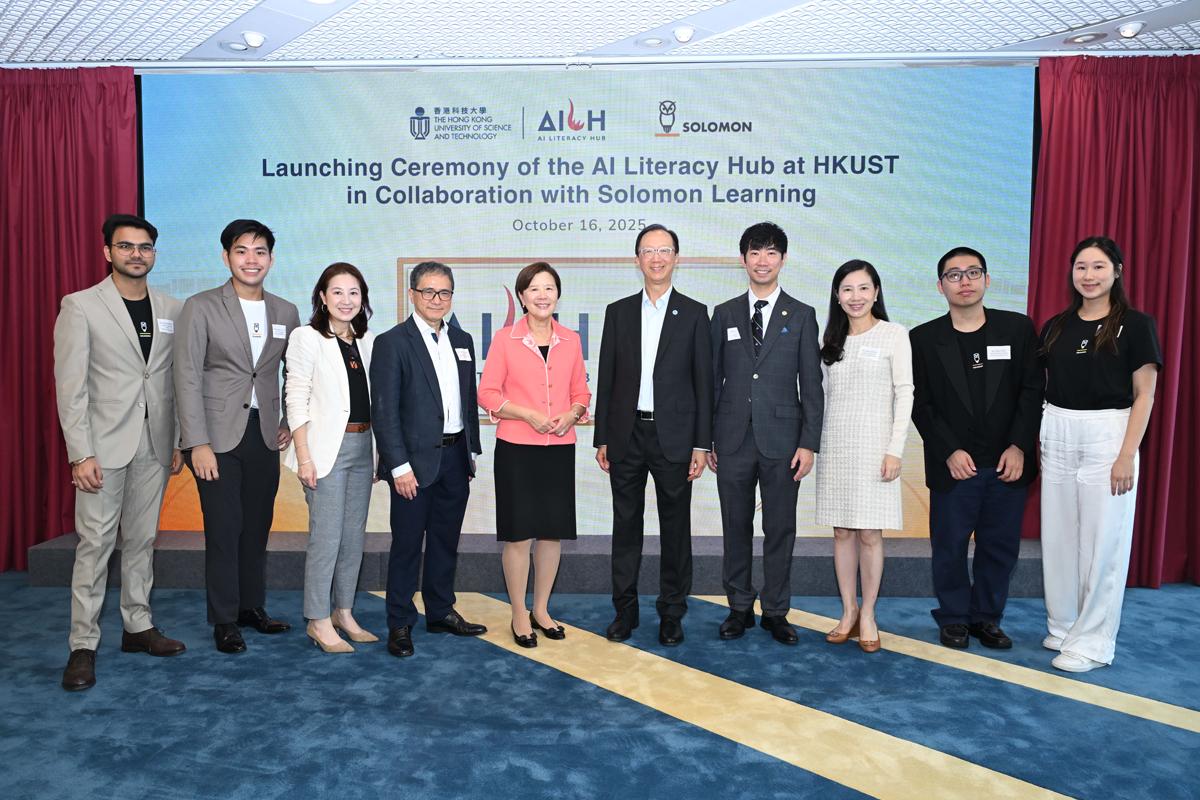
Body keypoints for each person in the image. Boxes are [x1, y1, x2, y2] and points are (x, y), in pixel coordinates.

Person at [53, 213, 187, 690]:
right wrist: (79, 453)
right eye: (126, 246)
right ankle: (82, 645)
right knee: (94, 547)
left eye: (145, 246)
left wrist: (174, 442)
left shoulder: (173, 306)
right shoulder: (81, 306)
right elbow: (70, 388)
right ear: (108, 252)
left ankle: (137, 626)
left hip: (155, 445)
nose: (137, 254)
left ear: (154, 253)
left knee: (142, 541)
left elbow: (172, 381)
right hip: (102, 448)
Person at [174, 219, 301, 654]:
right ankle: (224, 619)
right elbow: (186, 376)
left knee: (257, 527)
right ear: (226, 256)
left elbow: (290, 374)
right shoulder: (201, 306)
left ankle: (252, 608)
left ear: (271, 258)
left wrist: (285, 418)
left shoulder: (286, 311)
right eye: (242, 250)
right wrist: (196, 442)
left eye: (261, 251)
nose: (252, 259)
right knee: (224, 529)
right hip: (215, 438)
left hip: (263, 434)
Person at [1037, 236, 1160, 673]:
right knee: (1059, 535)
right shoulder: (1056, 324)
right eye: (1081, 267)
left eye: (1098, 267)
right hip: (1057, 429)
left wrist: (1127, 454)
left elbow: (1144, 394)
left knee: (1103, 539)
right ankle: (1065, 623)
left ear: (1118, 271)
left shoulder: (1137, 324)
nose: (1089, 276)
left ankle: (1093, 643)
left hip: (1109, 432)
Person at [910, 247, 1042, 650]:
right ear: (940, 286)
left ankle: (986, 617)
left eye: (972, 272)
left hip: (1008, 464)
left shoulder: (1017, 329)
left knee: (999, 547)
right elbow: (921, 403)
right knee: (948, 547)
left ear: (987, 280)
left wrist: (1020, 445)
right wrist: (949, 449)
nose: (964, 281)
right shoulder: (924, 338)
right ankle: (952, 617)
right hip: (954, 466)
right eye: (954, 275)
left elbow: (1032, 391)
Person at [594, 224, 713, 647]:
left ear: (676, 258)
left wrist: (702, 443)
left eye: (665, 251)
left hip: (676, 439)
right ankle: (625, 612)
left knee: (675, 529)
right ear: (638, 259)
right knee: (625, 527)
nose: (657, 258)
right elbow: (606, 377)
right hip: (626, 436)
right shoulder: (618, 311)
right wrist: (602, 438)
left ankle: (672, 613)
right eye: (649, 251)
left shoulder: (697, 313)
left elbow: (704, 383)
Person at [708, 222, 823, 645]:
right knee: (734, 526)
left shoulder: (803, 314)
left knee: (780, 528)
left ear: (783, 259)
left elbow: (811, 386)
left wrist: (809, 442)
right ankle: (739, 607)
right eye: (755, 253)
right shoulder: (723, 313)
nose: (762, 261)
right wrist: (708, 440)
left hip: (784, 443)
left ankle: (776, 611)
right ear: (743, 259)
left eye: (771, 253)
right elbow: (711, 380)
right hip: (732, 440)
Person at [370, 261, 486, 658]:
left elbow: (467, 400)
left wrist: (470, 453)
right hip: (412, 466)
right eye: (429, 292)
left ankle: (440, 611)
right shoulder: (392, 342)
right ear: (412, 294)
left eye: (445, 293)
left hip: (455, 460)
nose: (437, 300)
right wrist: (398, 467)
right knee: (406, 545)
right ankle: (400, 622)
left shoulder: (463, 339)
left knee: (444, 542)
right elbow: (384, 413)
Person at [479, 262, 591, 648]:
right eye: (533, 289)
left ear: (558, 294)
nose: (542, 295)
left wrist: (572, 413)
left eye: (549, 288)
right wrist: (525, 413)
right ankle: (517, 613)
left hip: (559, 448)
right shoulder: (504, 339)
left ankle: (541, 609)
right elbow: (488, 394)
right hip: (516, 449)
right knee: (518, 535)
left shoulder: (571, 339)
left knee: (552, 534)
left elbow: (582, 393)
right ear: (522, 296)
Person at [815, 260, 913, 653]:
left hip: (876, 448)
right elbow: (821, 398)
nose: (855, 297)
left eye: (863, 288)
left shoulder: (894, 334)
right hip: (836, 446)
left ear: (876, 292)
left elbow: (905, 393)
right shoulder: (830, 343)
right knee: (841, 532)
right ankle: (848, 611)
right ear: (837, 296)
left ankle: (869, 612)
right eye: (847, 289)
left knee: (870, 533)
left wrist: (895, 450)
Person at [283, 263, 378, 653]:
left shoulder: (368, 340)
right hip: (323, 451)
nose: (346, 300)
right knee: (326, 537)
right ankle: (318, 620)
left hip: (363, 447)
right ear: (322, 297)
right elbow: (295, 397)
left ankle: (344, 611)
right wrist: (304, 457)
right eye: (337, 292)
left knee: (353, 537)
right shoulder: (306, 338)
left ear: (363, 299)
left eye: (353, 292)